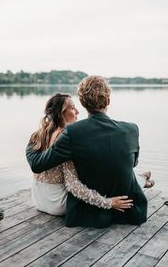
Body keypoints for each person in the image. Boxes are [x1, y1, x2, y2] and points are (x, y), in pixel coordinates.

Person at [26, 76, 149, 228]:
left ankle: (143, 179)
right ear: (108, 101)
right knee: (126, 173)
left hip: (91, 210)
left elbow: (39, 163)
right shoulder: (132, 129)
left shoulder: (72, 132)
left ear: (83, 103)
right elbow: (133, 163)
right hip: (131, 208)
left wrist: (34, 140)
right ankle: (143, 179)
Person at [30, 93, 134, 216]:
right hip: (58, 204)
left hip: (38, 200)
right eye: (73, 108)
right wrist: (108, 203)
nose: (78, 112)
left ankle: (142, 179)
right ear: (61, 113)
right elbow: (73, 185)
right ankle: (141, 180)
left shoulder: (40, 134)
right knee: (101, 181)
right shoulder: (65, 138)